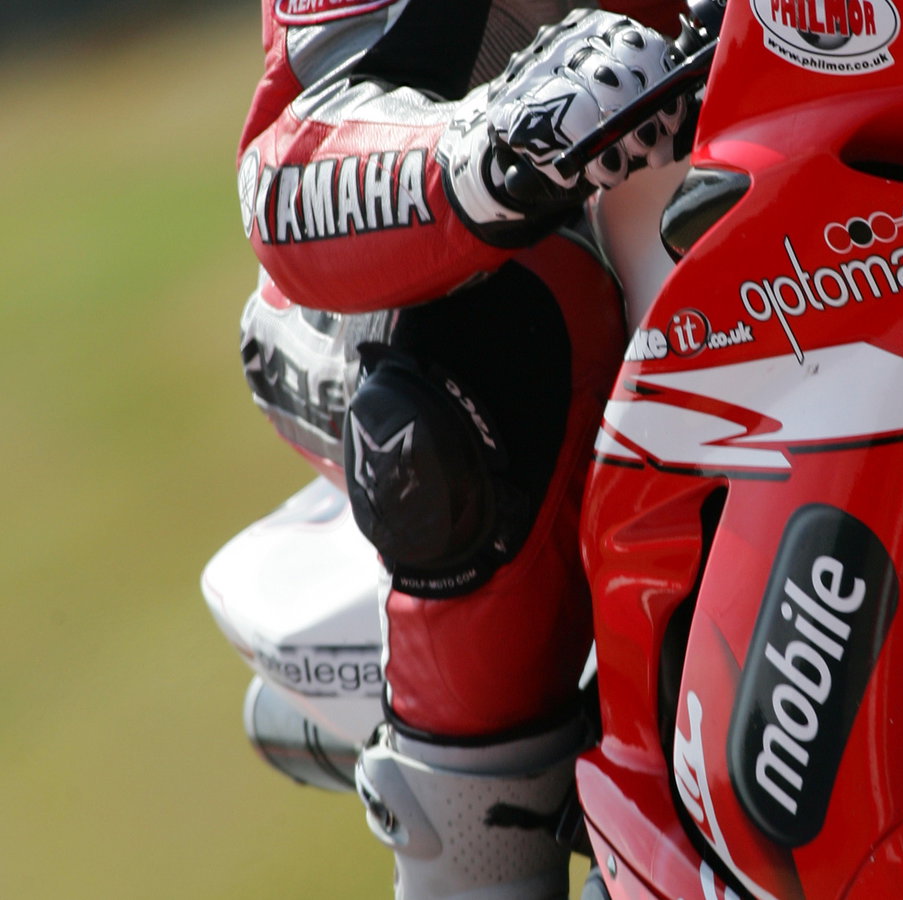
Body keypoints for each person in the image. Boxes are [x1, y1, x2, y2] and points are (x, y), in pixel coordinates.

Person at [234, 1, 685, 896]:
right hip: (409, 255)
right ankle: (478, 868)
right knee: (504, 335)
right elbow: (284, 175)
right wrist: (488, 151)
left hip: (801, 167)